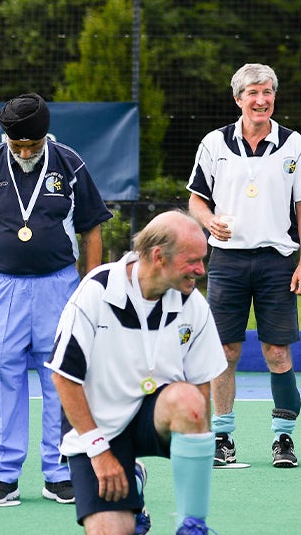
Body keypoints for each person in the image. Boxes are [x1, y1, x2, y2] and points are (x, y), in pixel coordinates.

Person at [0, 93, 113, 506]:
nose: (23, 152)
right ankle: (2, 476)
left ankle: (60, 473)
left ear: (45, 136)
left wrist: (91, 288)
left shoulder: (70, 165)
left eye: (31, 145)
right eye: (16, 145)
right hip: (2, 288)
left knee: (62, 379)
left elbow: (91, 230)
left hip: (59, 287)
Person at [47, 211, 228, 535]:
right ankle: (133, 483)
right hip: (98, 427)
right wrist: (99, 451)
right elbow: (64, 377)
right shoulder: (97, 290)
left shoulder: (193, 303)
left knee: (189, 401)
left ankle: (192, 525)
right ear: (159, 257)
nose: (201, 270)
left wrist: (195, 434)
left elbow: (201, 389)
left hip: (155, 416)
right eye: (193, 261)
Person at [187, 62, 301, 469]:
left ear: (274, 97)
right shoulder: (213, 143)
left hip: (276, 262)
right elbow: (196, 199)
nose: (261, 100)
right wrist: (208, 220)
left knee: (277, 352)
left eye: (267, 92)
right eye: (253, 93)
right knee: (224, 351)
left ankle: (284, 437)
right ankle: (223, 436)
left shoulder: (294, 144)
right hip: (227, 262)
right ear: (238, 99)